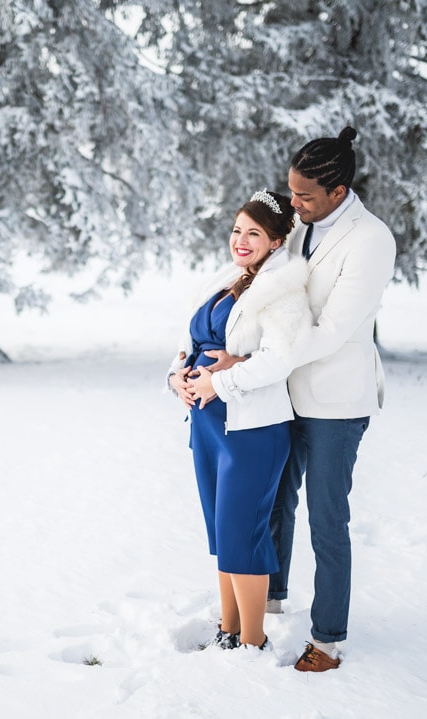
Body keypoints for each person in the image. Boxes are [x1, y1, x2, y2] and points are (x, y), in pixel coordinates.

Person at [269, 126, 396, 671]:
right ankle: (269, 606)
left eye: (305, 196)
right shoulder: (303, 224)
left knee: (326, 517)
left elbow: (333, 329)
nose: (293, 204)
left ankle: (327, 638)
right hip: (287, 391)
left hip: (336, 401)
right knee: (275, 501)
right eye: (292, 192)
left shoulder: (371, 240)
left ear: (339, 191)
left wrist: (255, 369)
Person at [167, 190, 312, 651]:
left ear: (275, 241)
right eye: (236, 230)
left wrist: (219, 382)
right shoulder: (228, 279)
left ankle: (252, 641)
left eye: (253, 233)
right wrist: (177, 377)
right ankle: (228, 629)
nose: (241, 240)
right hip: (208, 426)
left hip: (251, 429)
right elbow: (190, 344)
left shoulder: (283, 288)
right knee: (222, 532)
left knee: (243, 533)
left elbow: (280, 359)